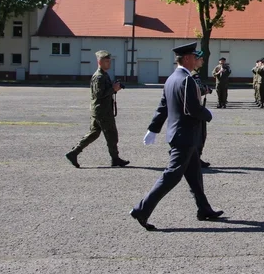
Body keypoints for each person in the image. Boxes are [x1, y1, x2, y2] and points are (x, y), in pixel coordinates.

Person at [130, 42, 222, 231]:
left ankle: (204, 209)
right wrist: (208, 114)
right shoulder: (186, 80)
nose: (198, 60)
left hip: (181, 135)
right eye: (195, 57)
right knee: (171, 176)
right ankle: (142, 208)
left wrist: (153, 129)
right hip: (185, 136)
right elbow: (192, 109)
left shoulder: (172, 78)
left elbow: (163, 107)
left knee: (195, 175)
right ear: (187, 58)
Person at [65, 50, 129, 168]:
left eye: (109, 61)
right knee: (112, 134)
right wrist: (113, 89)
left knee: (94, 133)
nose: (109, 63)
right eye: (106, 61)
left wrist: (114, 87)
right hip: (102, 111)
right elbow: (99, 94)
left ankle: (74, 153)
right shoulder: (99, 77)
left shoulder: (104, 75)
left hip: (100, 110)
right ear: (99, 62)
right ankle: (115, 159)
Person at [191, 51, 213, 169]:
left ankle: (195, 159)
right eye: (201, 59)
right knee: (199, 135)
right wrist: (207, 89)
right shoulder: (194, 74)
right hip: (195, 110)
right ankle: (195, 159)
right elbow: (200, 88)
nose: (202, 61)